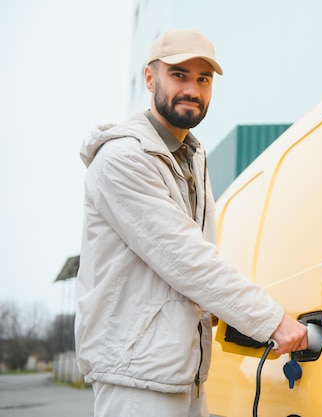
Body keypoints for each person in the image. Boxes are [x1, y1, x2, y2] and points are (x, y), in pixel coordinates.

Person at [74, 29, 308, 417]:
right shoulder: (122, 160)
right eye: (179, 75)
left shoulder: (190, 157)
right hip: (137, 379)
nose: (193, 90)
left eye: (204, 79)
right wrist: (270, 320)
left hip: (185, 373)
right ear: (150, 79)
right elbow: (184, 257)